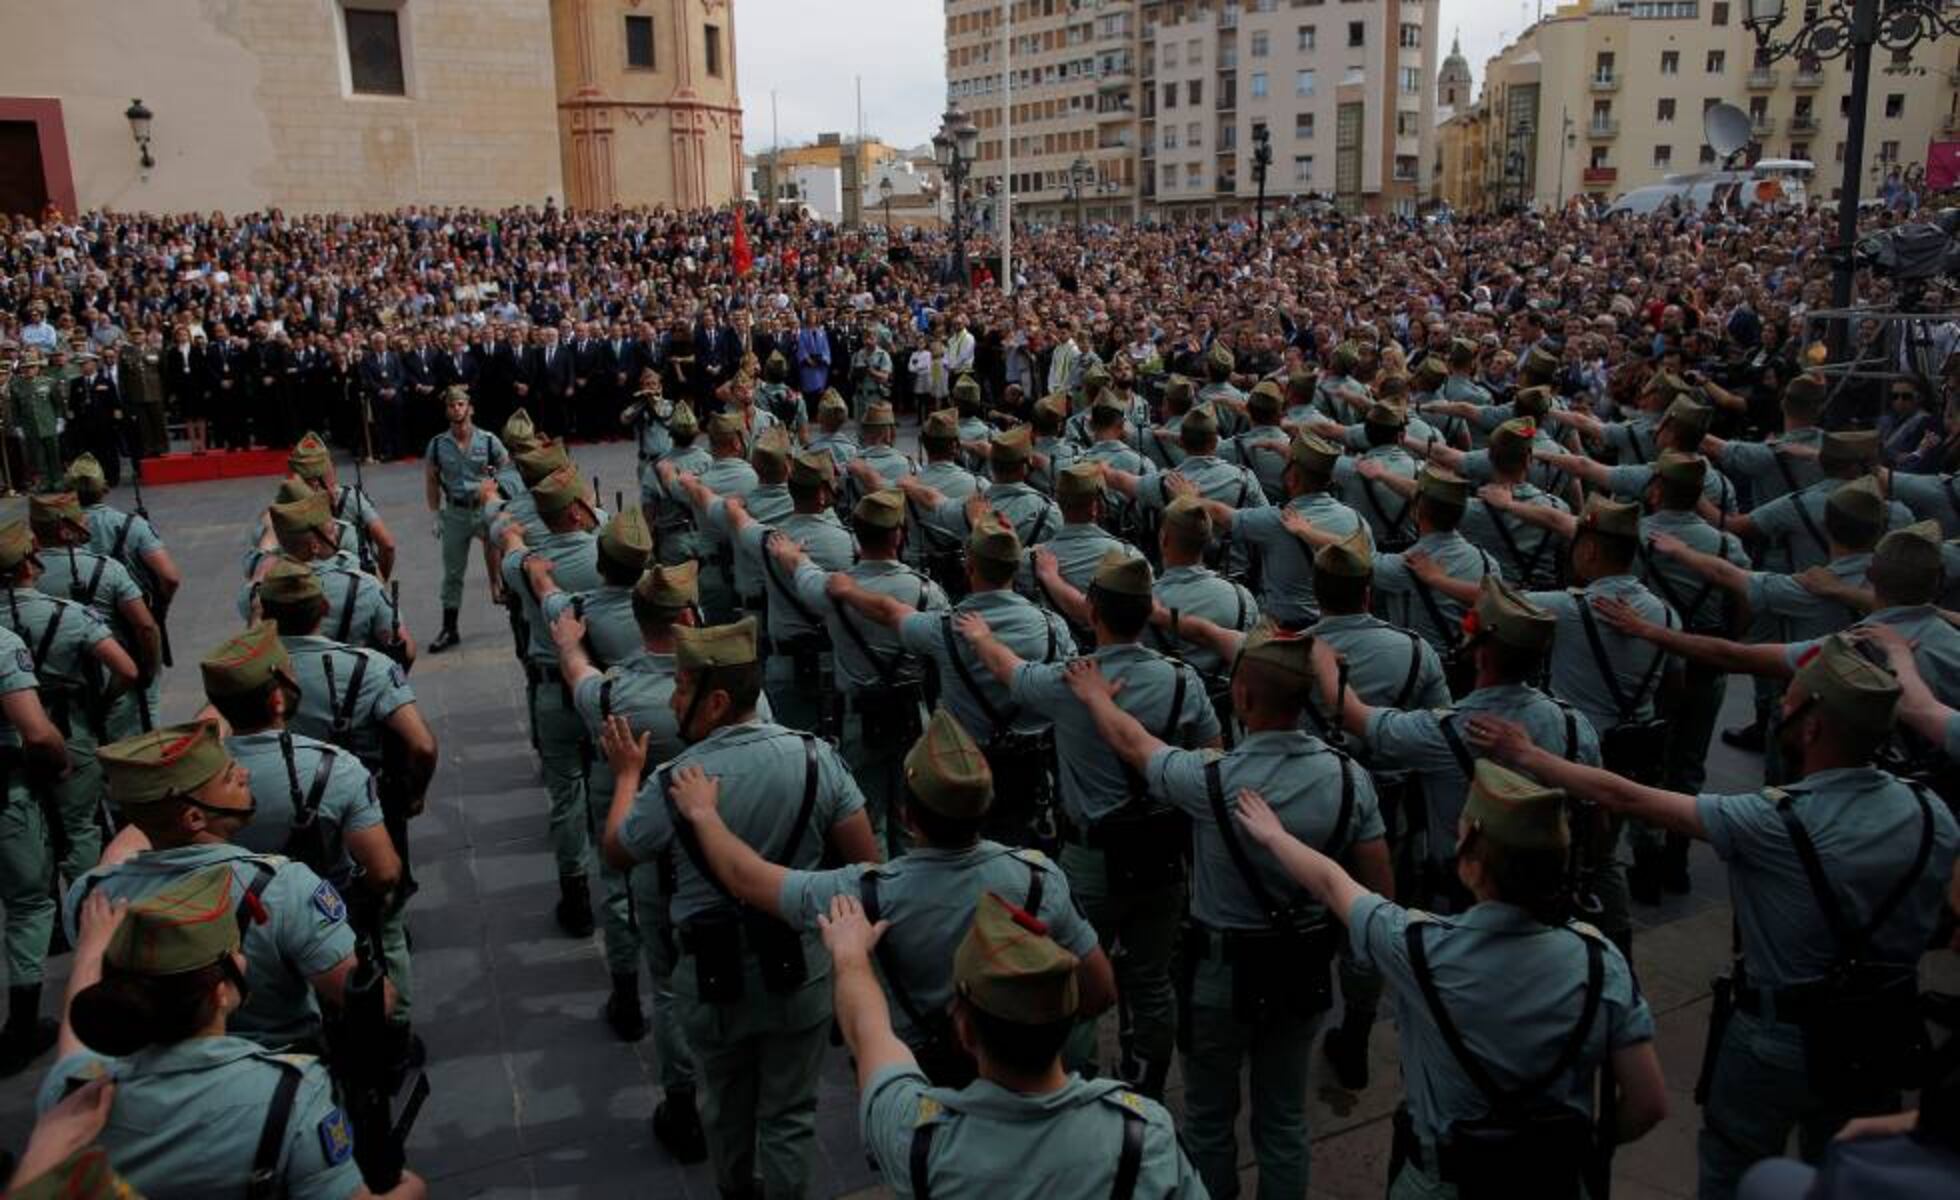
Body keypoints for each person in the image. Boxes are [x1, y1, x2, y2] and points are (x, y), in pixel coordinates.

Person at [1468, 635, 1959, 1200]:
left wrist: (1530, 756)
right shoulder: (1932, 813)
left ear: (1813, 728)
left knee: (1734, 1162)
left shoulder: (1775, 822)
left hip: (1777, 1033)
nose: (1781, 707)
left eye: (1791, 702)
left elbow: (1630, 799)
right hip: (1879, 1029)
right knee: (1846, 1164)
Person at [1232, 759, 1668, 1200]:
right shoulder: (1598, 961)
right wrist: (1585, 1145)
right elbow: (1648, 1103)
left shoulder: (1418, 947)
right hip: (1553, 1181)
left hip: (1445, 1181)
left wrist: (1274, 836)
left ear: (1475, 866)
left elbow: (1331, 883)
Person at [1062, 625, 1391, 1200]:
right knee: (1284, 1118)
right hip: (1304, 968)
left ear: (1242, 698)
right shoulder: (1349, 779)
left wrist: (1092, 696)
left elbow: (1136, 744)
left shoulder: (1211, 780)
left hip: (1221, 976)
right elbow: (1379, 885)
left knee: (1210, 1121)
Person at [667, 706, 1115, 1088]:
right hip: (1024, 1077)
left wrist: (705, 814)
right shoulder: (1040, 878)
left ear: (907, 814)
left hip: (924, 1078)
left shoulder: (865, 894)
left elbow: (748, 879)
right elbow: (1100, 991)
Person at [596, 617, 878, 1200]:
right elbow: (865, 862)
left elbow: (619, 850)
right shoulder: (814, 759)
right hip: (799, 967)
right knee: (791, 1113)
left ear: (716, 699)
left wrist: (626, 775)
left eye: (680, 686)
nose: (672, 700)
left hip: (714, 978)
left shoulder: (675, 781)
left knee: (725, 1107)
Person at [958, 551, 1220, 1099]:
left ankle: (1076, 1080)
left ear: (1093, 612)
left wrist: (981, 636)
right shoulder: (1183, 682)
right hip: (1163, 852)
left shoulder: (1070, 681)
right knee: (1152, 979)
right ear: (1149, 612)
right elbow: (1212, 761)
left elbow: (1007, 670)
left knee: (1073, 970)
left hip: (1092, 857)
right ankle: (1148, 1079)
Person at [38, 868, 428, 1198]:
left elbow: (75, 1039)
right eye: (232, 954)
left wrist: (91, 951)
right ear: (220, 992)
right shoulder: (293, 1093)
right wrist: (410, 1190)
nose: (242, 958)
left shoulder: (74, 1095)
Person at [832, 889, 1205, 1200]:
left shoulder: (916, 1140)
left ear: (966, 1033)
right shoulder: (1145, 1138)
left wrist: (850, 957)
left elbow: (869, 1033)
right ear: (1069, 1022)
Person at [65, 722, 373, 1052]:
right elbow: (364, 999)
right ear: (195, 818)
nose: (244, 774)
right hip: (282, 1074)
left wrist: (152, 815)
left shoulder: (90, 897)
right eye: (228, 777)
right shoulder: (283, 885)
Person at [547, 562, 707, 1158]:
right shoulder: (728, 689)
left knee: (662, 979)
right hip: (715, 850)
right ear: (688, 616)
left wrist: (568, 643)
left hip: (649, 849)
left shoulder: (614, 695)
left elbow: (577, 675)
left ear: (638, 623)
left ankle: (679, 1095)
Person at [0, 520, 139, 888]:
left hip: (9, 740)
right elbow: (126, 669)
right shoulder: (68, 614)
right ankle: (85, 905)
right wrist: (104, 701)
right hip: (67, 727)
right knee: (79, 826)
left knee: (30, 830)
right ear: (29, 565)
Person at [499, 464, 606, 937]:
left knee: (566, 795)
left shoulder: (524, 564)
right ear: (579, 510)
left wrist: (519, 533)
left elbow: (509, 542)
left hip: (552, 688)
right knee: (608, 784)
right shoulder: (606, 547)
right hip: (602, 682)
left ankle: (576, 892)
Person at [28, 492, 161, 740]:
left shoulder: (26, 579)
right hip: (110, 683)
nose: (87, 522)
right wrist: (149, 671)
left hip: (46, 700)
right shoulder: (107, 569)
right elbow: (146, 627)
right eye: (80, 519)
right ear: (66, 530)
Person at [0, 621, 69, 1078]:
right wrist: (61, 763)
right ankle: (21, 1030)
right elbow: (38, 733)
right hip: (6, 797)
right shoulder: (2, 645)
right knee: (28, 904)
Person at [423, 386, 508, 653]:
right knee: (452, 573)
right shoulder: (438, 444)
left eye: (461, 404)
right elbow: (431, 480)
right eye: (452, 406)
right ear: (446, 410)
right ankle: (450, 628)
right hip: (456, 512)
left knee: (509, 557)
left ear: (470, 408)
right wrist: (436, 514)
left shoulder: (489, 440)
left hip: (485, 507)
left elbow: (507, 470)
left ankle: (511, 601)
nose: (457, 409)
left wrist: (500, 499)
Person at [291, 432, 397, 582]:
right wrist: (379, 583)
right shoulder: (352, 498)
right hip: (361, 587)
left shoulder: (288, 511)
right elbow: (388, 544)